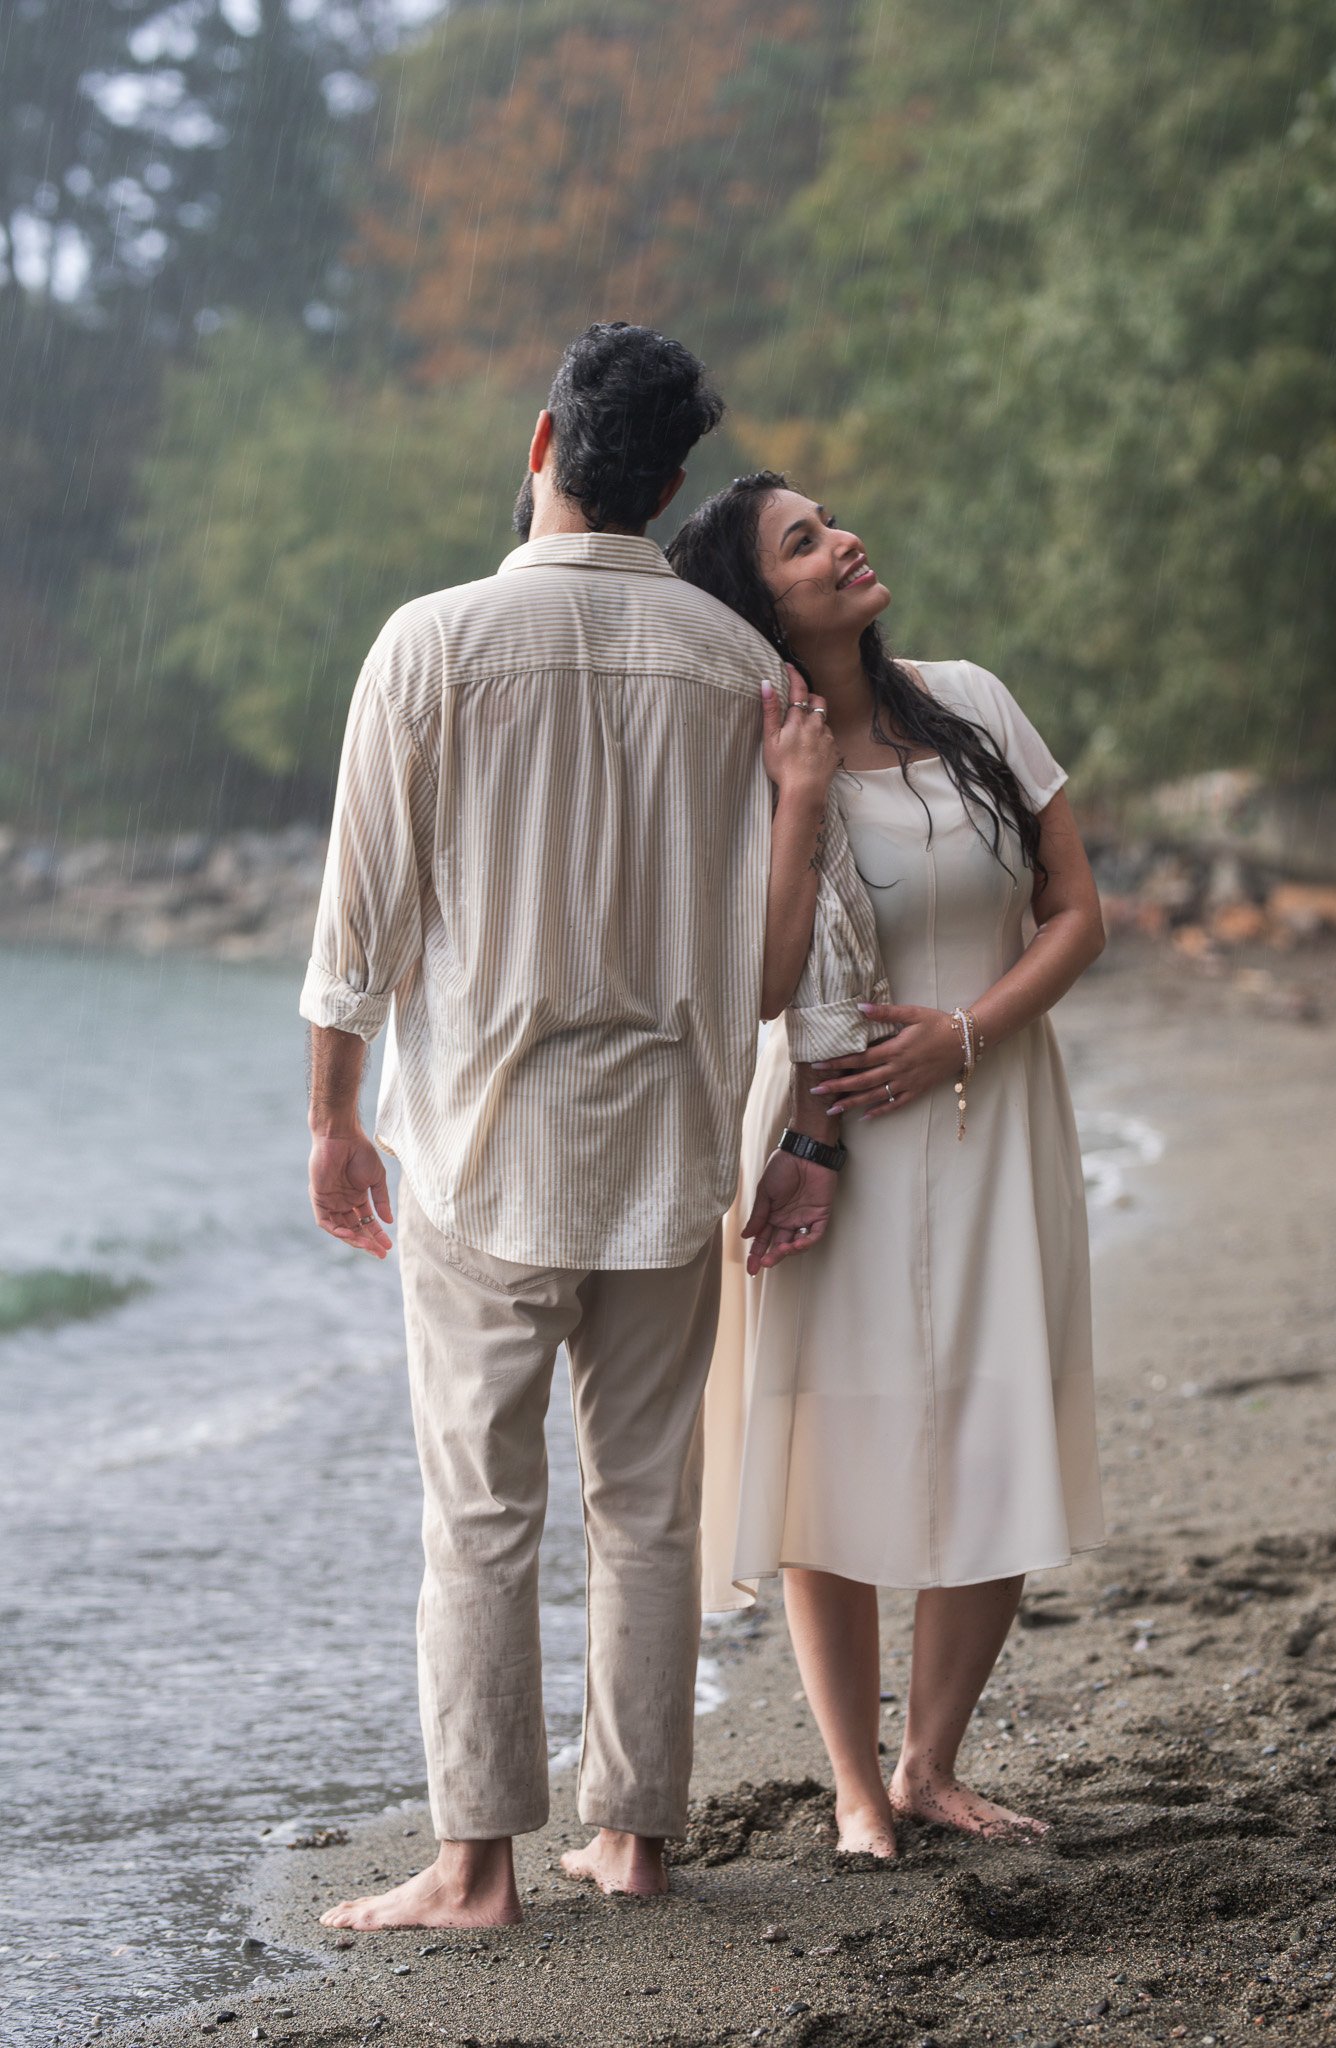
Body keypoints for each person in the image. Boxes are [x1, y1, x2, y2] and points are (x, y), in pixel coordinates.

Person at [299, 335, 890, 1929]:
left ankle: (473, 1867)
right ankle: (630, 1839)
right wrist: (803, 1131)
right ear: (675, 484)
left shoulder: (428, 645)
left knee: (480, 1513)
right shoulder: (733, 667)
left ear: (546, 438)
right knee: (645, 1504)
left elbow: (358, 926)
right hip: (670, 1148)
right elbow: (800, 952)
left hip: (485, 1152)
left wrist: (334, 1123)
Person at [667, 471, 1108, 1859]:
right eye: (804, 543)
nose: (845, 541)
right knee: (829, 1448)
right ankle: (854, 1789)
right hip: (824, 1136)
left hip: (991, 1112)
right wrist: (798, 800)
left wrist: (964, 1032)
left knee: (997, 1423)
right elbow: (760, 981)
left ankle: (929, 1765)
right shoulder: (748, 764)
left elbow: (1076, 912)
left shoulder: (972, 702)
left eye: (832, 522)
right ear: (763, 605)